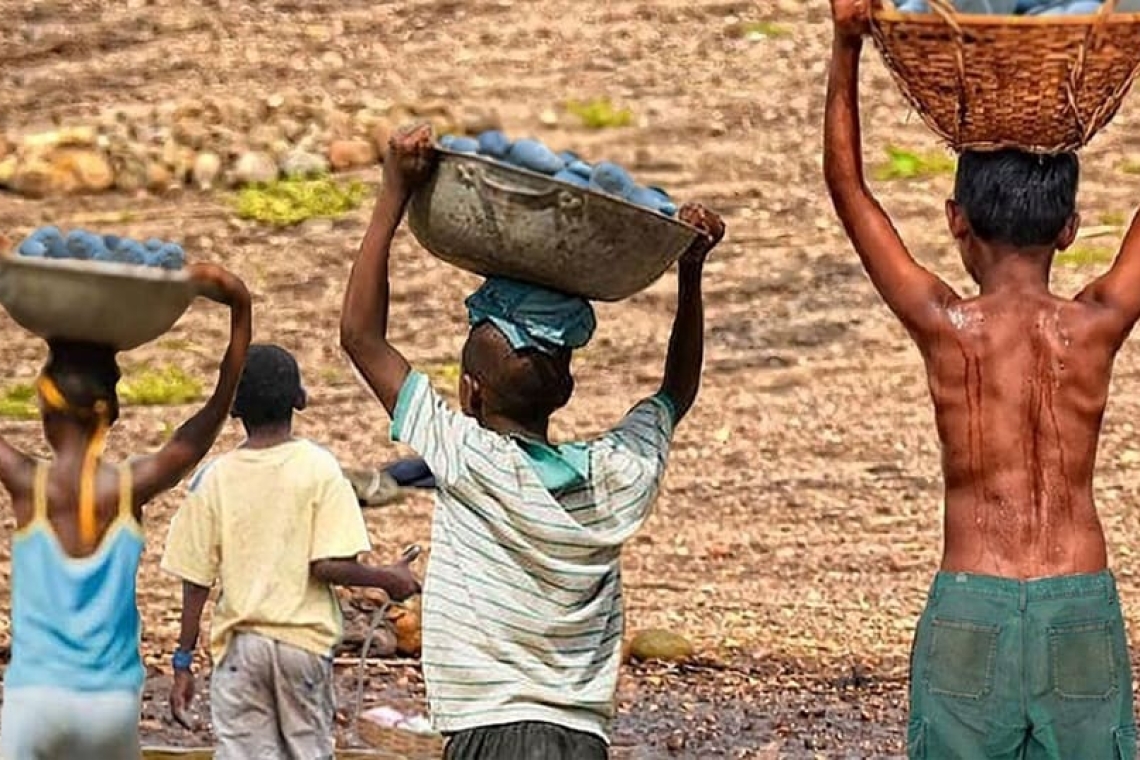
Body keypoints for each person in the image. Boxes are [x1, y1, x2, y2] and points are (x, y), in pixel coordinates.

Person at [339, 122, 725, 760]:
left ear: (470, 393)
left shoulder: (467, 457)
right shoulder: (614, 474)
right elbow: (674, 392)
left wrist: (392, 193)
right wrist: (690, 272)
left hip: (492, 729)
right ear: (565, 391)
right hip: (581, 739)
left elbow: (361, 337)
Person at [824, 2, 1139, 757]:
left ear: (954, 219)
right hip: (1077, 603)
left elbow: (850, 191)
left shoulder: (946, 326)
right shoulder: (1095, 324)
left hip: (973, 600)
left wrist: (845, 47)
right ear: (1069, 228)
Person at [0, 263, 251, 760]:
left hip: (35, 702)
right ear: (110, 414)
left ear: (46, 414)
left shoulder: (28, 486)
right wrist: (240, 307)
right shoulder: (131, 488)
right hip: (110, 706)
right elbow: (212, 413)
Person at [160, 343, 421, 760]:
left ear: (233, 410)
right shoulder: (319, 468)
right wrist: (389, 577)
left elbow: (195, 581)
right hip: (302, 647)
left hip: (242, 649)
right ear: (301, 398)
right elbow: (328, 565)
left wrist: (182, 661)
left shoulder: (214, 479)